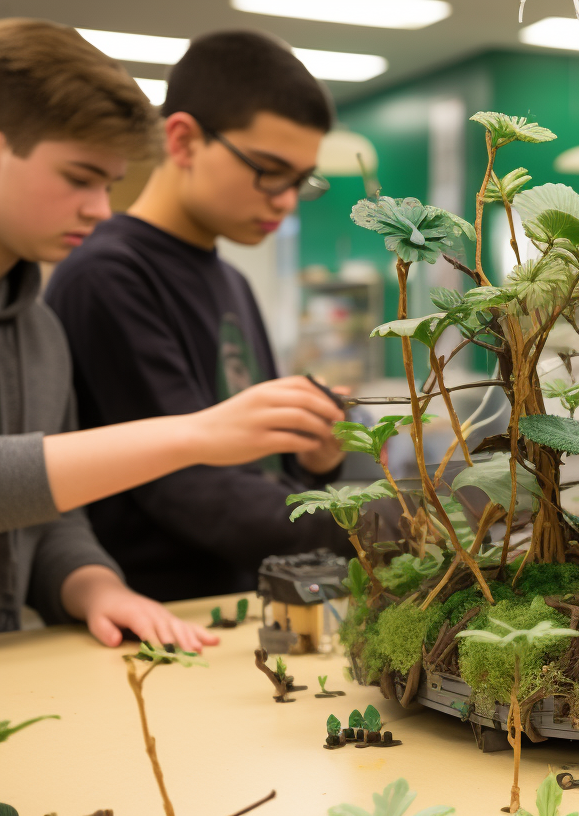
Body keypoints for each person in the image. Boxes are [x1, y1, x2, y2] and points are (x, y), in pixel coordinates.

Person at [0, 19, 346, 650]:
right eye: (80, 179)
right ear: (184, 141)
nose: (100, 209)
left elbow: (45, 519)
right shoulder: (105, 274)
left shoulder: (39, 332)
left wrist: (96, 584)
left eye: (107, 184)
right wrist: (200, 434)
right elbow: (180, 485)